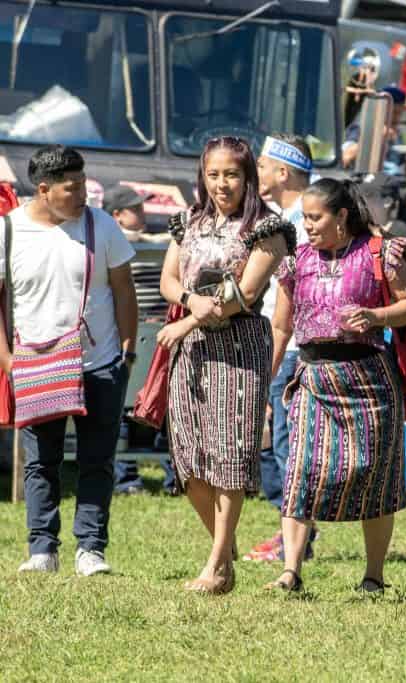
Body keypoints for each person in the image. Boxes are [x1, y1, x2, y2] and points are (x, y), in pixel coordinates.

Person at [266, 178, 406, 593]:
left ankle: (374, 576)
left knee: (376, 477)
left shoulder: (381, 254)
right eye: (304, 217)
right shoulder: (295, 261)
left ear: (341, 216)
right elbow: (281, 327)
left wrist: (376, 317)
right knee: (300, 470)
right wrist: (268, 378)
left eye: (315, 217)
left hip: (370, 380)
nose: (308, 225)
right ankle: (291, 571)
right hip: (314, 377)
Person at [158, 136, 294, 594]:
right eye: (214, 174)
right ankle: (225, 542)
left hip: (239, 347)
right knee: (189, 458)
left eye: (231, 174)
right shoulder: (187, 221)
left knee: (231, 454)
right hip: (192, 350)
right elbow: (168, 279)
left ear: (248, 177)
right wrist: (190, 301)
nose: (222, 183)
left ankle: (216, 566)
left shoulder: (266, 227)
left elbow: (245, 294)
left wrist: (187, 321)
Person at [2, 145, 138, 576]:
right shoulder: (8, 232)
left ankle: (91, 549)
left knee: (97, 459)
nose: (83, 195)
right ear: (43, 190)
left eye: (83, 184)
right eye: (72, 187)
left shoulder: (102, 226)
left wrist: (127, 351)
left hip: (99, 363)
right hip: (36, 363)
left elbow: (123, 289)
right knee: (41, 461)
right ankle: (42, 548)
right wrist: (7, 360)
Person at [245, 133, 314, 563]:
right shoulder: (291, 214)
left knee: (291, 446)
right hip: (287, 343)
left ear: (283, 172)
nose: (257, 175)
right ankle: (293, 535)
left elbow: (290, 302)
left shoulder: (303, 220)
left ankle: (296, 541)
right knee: (285, 444)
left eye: (263, 166)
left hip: (292, 347)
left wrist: (272, 361)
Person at [103, 184, 175, 496]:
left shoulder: (149, 240)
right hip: (130, 335)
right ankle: (126, 479)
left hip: (160, 334)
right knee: (120, 407)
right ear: (116, 215)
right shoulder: (111, 242)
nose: (142, 213)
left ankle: (176, 476)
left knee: (170, 406)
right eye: (135, 209)